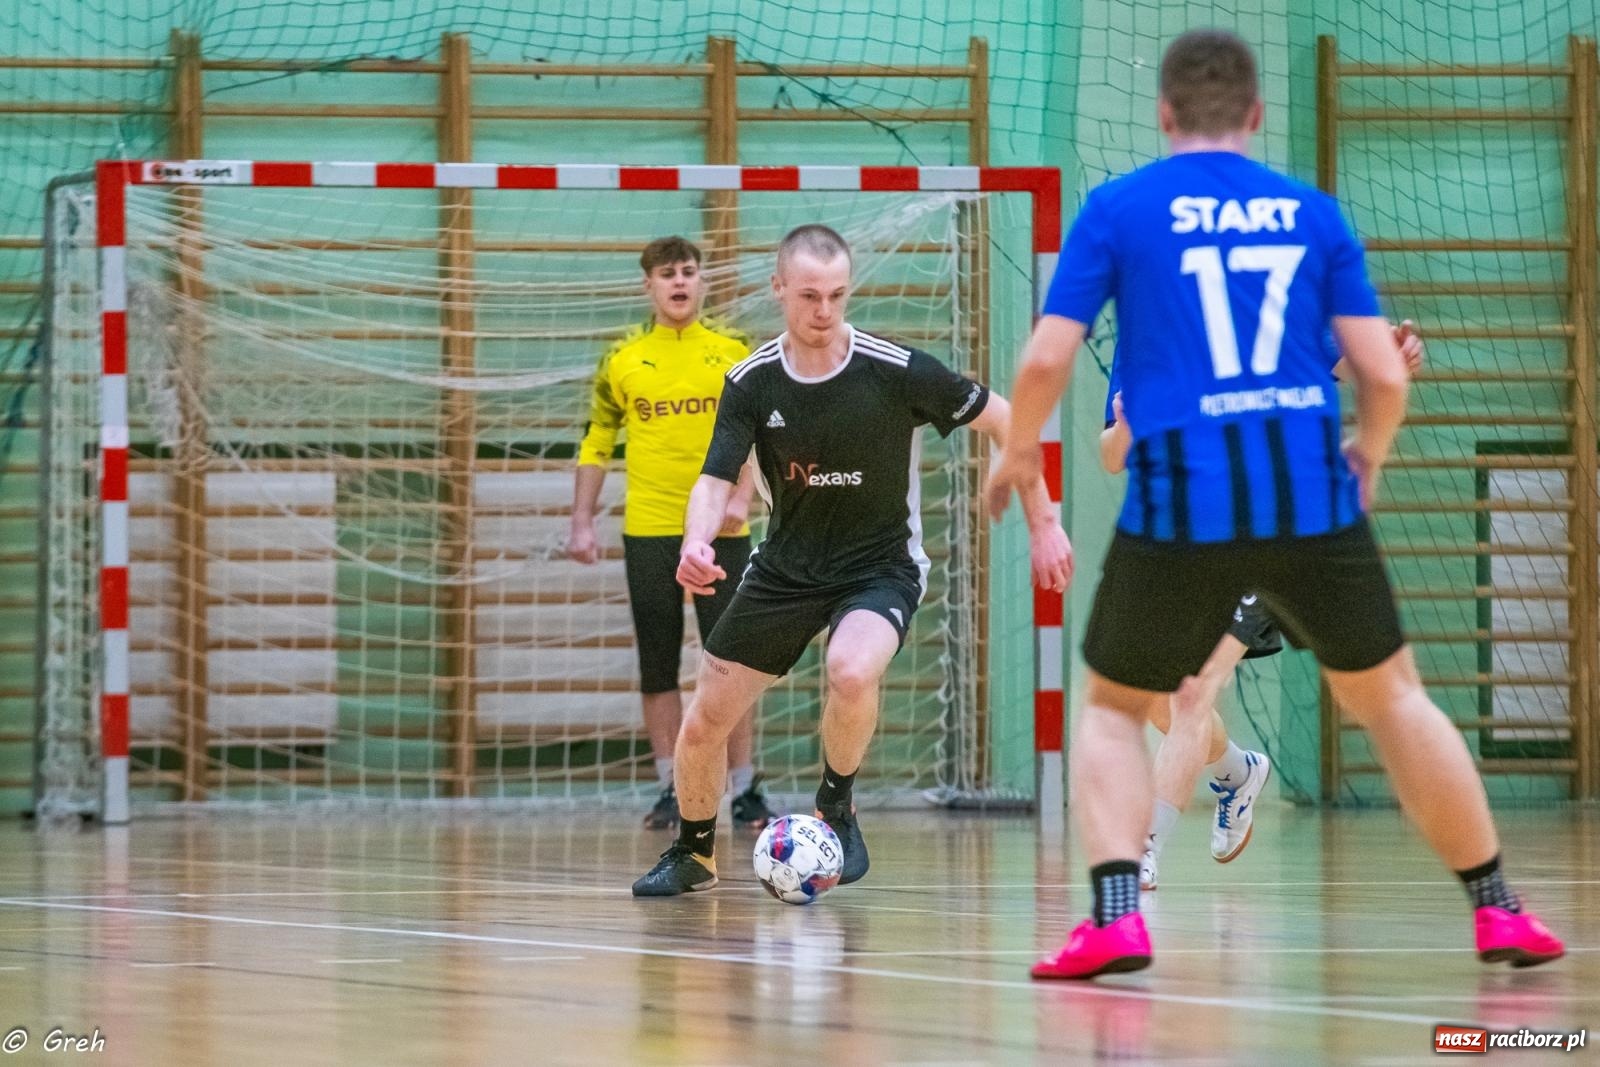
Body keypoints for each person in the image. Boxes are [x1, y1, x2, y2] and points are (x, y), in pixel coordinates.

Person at [987, 29, 1564, 979]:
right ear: (1256, 116)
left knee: (1112, 708)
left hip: (1182, 506)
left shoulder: (1120, 209)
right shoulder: (1312, 213)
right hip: (1308, 501)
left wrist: (1017, 456)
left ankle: (1118, 918)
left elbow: (1048, 357)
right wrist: (1368, 454)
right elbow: (1383, 372)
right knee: (1394, 701)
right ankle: (1498, 906)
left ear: (1164, 114)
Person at [631, 224, 1073, 896]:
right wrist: (697, 541)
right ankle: (694, 853)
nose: (824, 310)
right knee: (705, 718)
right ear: (779, 288)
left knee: (850, 668)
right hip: (785, 569)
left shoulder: (895, 369)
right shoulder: (751, 381)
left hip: (879, 567)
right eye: (809, 295)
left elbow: (1008, 419)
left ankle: (836, 806)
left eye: (837, 295)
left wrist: (1044, 523)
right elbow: (715, 479)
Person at [1101, 326, 1426, 890]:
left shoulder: (1262, 306)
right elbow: (1112, 454)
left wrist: (1390, 357)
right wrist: (1127, 429)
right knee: (1155, 699)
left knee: (1192, 692)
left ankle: (1143, 851)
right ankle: (1237, 771)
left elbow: (1349, 363)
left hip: (1270, 534)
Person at [571, 235, 774, 830]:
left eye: (688, 271)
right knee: (658, 663)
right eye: (667, 274)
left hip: (722, 531)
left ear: (702, 280)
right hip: (650, 530)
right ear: (649, 285)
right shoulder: (622, 358)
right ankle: (671, 786)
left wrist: (741, 497)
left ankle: (743, 788)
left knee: (733, 661)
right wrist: (581, 520)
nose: (679, 281)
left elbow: (761, 433)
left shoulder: (732, 351)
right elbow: (596, 440)